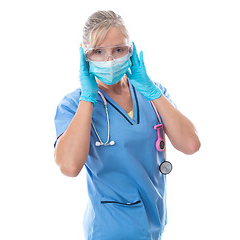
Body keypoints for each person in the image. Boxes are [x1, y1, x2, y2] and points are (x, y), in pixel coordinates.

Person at [54, 10, 200, 240]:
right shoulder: (73, 104)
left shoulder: (153, 93)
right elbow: (69, 167)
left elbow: (191, 145)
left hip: (154, 220)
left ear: (130, 50)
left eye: (118, 50)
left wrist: (151, 91)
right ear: (84, 55)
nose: (110, 60)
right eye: (98, 52)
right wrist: (88, 99)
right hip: (110, 228)